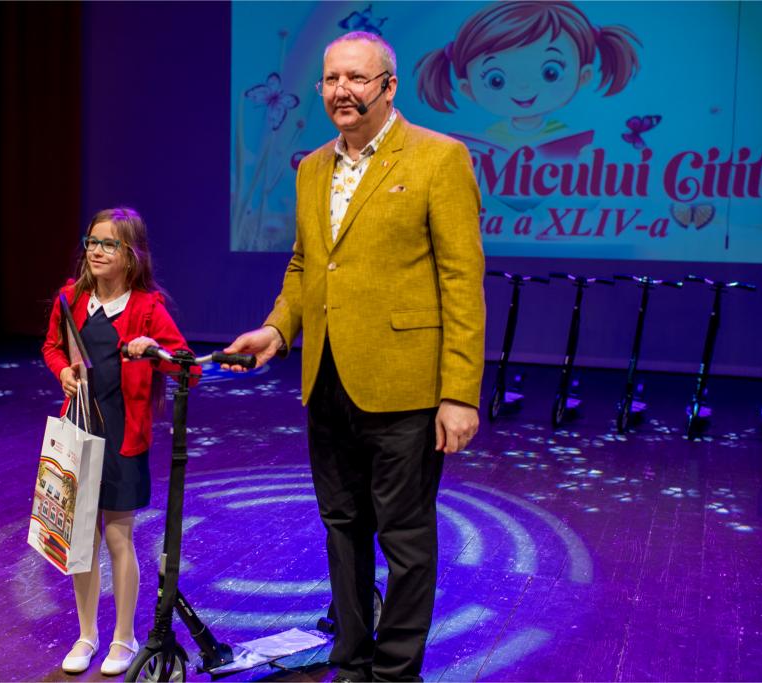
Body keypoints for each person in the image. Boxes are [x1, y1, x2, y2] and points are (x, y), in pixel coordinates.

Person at [224, 32, 485, 681]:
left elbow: (461, 281)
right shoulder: (312, 167)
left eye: (357, 78)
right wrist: (278, 330)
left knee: (405, 538)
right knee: (342, 526)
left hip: (405, 386)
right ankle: (351, 662)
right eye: (331, 78)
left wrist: (459, 393)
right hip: (328, 381)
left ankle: (395, 674)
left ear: (389, 87)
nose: (341, 90)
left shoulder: (439, 158)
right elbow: (307, 265)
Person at [42, 207, 196, 676]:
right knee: (80, 539)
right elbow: (52, 346)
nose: (96, 251)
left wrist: (152, 351)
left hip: (122, 437)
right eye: (92, 241)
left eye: (108, 244)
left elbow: (187, 366)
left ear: (131, 255)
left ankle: (123, 638)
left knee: (117, 536)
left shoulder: (147, 308)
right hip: (79, 433)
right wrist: (62, 371)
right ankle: (87, 634)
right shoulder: (71, 298)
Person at [414, 0, 640, 150]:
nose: (523, 87)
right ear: (468, 89)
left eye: (550, 73)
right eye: (496, 80)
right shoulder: (488, 139)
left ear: (583, 76)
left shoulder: (567, 138)